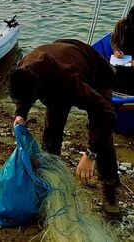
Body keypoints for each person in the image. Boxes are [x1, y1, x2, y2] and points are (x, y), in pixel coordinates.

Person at [9, 39, 120, 218]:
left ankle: (110, 191)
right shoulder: (24, 68)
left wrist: (90, 154)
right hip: (59, 67)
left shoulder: (69, 80)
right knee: (52, 130)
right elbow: (25, 93)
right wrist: (21, 114)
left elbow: (107, 114)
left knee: (102, 136)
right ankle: (51, 180)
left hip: (96, 74)